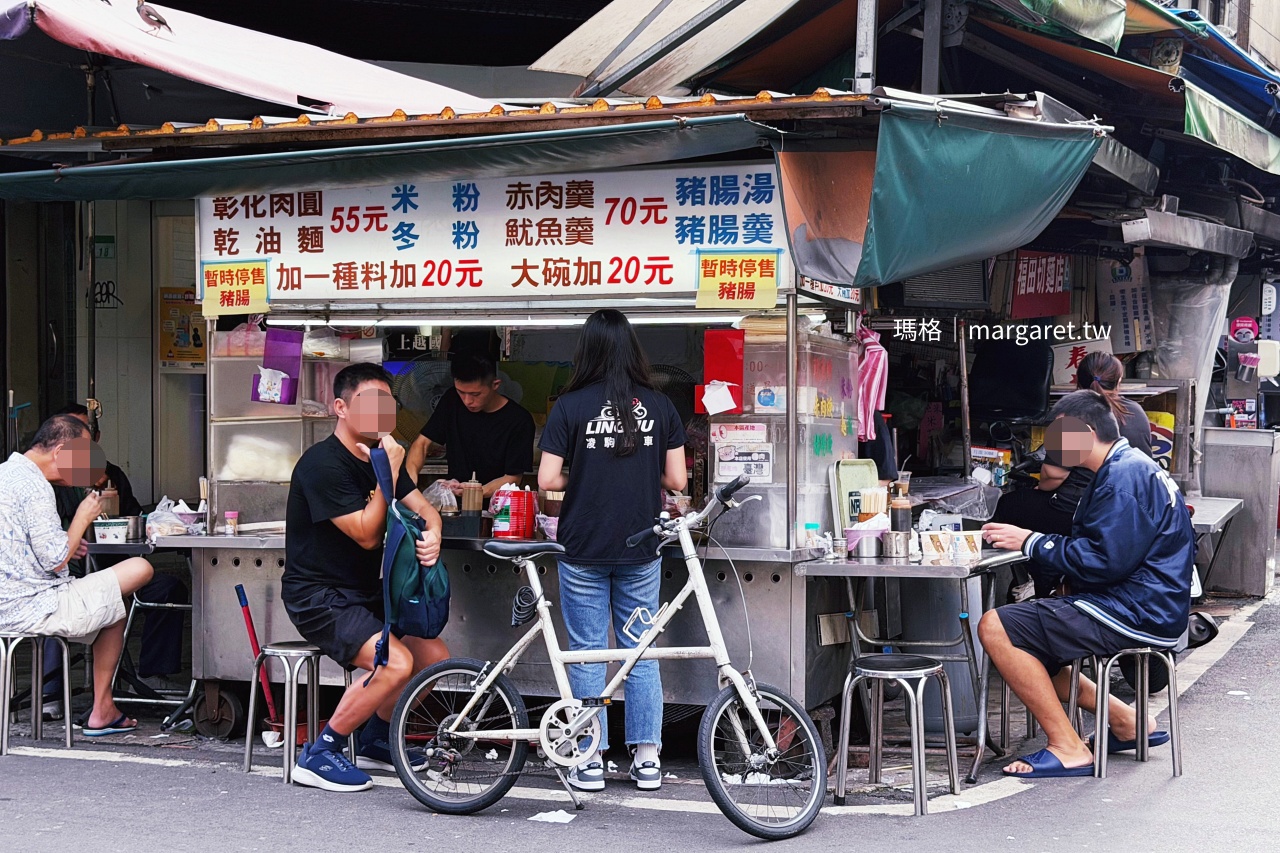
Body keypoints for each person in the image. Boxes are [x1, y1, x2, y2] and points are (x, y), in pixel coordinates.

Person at [979, 390, 1194, 779]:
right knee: (1026, 637)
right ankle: (1127, 721)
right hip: (1147, 603)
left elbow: (1103, 561)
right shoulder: (1127, 467)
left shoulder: (1123, 477)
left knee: (996, 626)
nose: (1052, 446)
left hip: (1135, 609)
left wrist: (1030, 541)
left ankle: (1068, 748)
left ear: (1086, 432)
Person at [537, 309, 687, 792]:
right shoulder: (660, 405)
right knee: (639, 649)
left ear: (587, 352)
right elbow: (677, 480)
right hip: (641, 545)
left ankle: (589, 757)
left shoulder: (569, 406)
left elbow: (547, 479)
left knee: (587, 651)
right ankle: (647, 758)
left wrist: (585, 471)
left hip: (582, 544)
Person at [282, 363, 449, 793]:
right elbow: (366, 534)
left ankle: (376, 737)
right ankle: (320, 753)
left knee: (434, 657)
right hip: (318, 597)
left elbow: (425, 509)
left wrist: (433, 535)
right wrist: (385, 474)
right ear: (341, 407)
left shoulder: (382, 456)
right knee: (396, 662)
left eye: (387, 403)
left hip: (366, 593)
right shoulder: (322, 464)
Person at [0, 414, 155, 736]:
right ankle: (102, 709)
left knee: (112, 607)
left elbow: (26, 547)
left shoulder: (6, 474)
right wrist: (82, 519)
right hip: (34, 606)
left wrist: (68, 542)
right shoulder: (35, 487)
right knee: (140, 568)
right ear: (60, 451)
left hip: (8, 602)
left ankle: (104, 709)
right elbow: (55, 560)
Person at [41, 404, 189, 716]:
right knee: (57, 599)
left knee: (168, 588)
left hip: (115, 565)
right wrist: (82, 512)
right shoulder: (49, 481)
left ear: (95, 438)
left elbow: (135, 518)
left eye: (85, 436)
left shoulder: (111, 474)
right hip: (72, 571)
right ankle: (50, 690)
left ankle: (151, 673)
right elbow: (52, 546)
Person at [993, 353, 1154, 601]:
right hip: (1123, 511)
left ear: (1076, 381)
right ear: (1119, 381)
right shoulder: (1137, 412)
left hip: (1074, 510)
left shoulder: (1073, 416)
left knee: (1008, 505)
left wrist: (1040, 486)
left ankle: (1037, 578)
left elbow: (1053, 477)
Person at [406, 354, 535, 498]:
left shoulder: (519, 420)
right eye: (461, 392)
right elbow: (422, 443)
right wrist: (409, 485)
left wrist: (474, 492)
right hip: (453, 503)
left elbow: (513, 478)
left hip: (498, 505)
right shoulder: (452, 400)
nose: (467, 401)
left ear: (495, 385)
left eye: (475, 394)